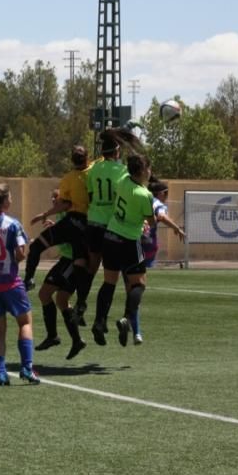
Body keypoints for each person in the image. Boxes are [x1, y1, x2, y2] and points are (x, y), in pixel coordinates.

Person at [91, 154, 165, 347]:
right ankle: (126, 318)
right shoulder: (144, 195)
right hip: (129, 242)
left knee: (109, 282)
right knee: (139, 284)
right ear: (142, 171)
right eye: (148, 168)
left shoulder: (123, 180)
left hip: (110, 236)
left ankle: (99, 322)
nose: (150, 172)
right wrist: (147, 222)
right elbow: (151, 221)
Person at [0, 182, 39, 386]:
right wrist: (14, 259)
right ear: (3, 201)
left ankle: (1, 374)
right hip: (9, 281)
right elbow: (21, 253)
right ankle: (27, 368)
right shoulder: (12, 224)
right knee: (25, 322)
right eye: (9, 197)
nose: (11, 200)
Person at [80, 127, 142, 326]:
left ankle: (81, 303)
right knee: (117, 274)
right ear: (117, 152)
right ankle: (128, 317)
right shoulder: (122, 171)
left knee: (92, 266)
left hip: (93, 222)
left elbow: (90, 196)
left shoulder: (93, 169)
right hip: (111, 226)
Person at [22, 146, 91, 294]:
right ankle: (81, 301)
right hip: (87, 225)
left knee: (36, 247)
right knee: (80, 261)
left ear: (72, 160)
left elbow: (65, 204)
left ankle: (28, 279)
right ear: (87, 158)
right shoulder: (94, 172)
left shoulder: (68, 178)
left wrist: (45, 214)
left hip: (71, 222)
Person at [31, 192, 86, 360]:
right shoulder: (63, 215)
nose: (54, 200)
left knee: (46, 294)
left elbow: (74, 236)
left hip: (72, 261)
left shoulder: (72, 214)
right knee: (60, 299)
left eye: (57, 197)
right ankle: (75, 340)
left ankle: (55, 336)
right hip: (66, 260)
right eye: (52, 198)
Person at [132, 180, 185, 345]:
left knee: (131, 284)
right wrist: (177, 228)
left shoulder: (138, 199)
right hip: (146, 246)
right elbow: (161, 216)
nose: (167, 197)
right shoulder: (157, 204)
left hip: (130, 242)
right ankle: (133, 323)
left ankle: (134, 326)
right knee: (138, 285)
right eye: (166, 194)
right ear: (161, 194)